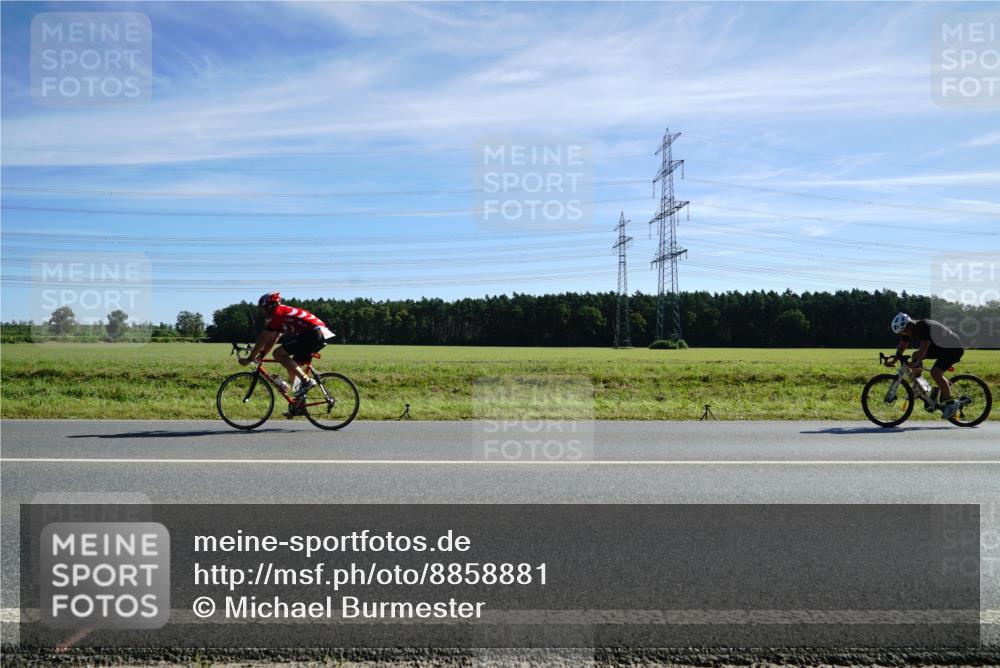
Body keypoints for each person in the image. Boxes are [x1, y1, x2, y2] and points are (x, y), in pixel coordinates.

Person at [240, 292, 335, 399]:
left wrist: (250, 358)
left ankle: (306, 380)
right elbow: (274, 338)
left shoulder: (278, 313)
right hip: (317, 334)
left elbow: (263, 338)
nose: (262, 312)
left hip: (313, 334)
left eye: (263, 309)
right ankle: (299, 404)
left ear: (270, 307)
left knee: (278, 354)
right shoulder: (282, 313)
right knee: (292, 368)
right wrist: (262, 355)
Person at [887, 312, 964, 419]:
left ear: (909, 324)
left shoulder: (923, 326)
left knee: (935, 373)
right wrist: (894, 361)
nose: (903, 333)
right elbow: (902, 346)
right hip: (941, 347)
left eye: (904, 330)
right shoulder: (909, 330)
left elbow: (925, 346)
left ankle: (951, 403)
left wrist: (916, 362)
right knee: (915, 355)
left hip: (953, 348)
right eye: (901, 332)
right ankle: (918, 386)